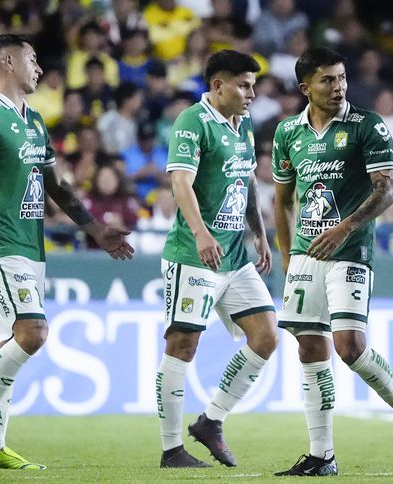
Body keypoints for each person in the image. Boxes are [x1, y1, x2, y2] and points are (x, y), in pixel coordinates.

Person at [0, 34, 134, 470]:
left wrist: (94, 229)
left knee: (7, 342)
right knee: (33, 333)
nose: (39, 68)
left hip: (30, 245)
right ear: (7, 61)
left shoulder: (34, 121)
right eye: (32, 58)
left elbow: (57, 185)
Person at [271, 47, 393, 477]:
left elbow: (387, 190)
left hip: (351, 249)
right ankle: (322, 455)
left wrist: (345, 227)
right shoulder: (288, 133)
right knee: (309, 347)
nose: (339, 86)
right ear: (305, 87)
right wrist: (288, 257)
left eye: (341, 78)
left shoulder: (367, 125)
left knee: (349, 346)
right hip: (306, 253)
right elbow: (282, 199)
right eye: (327, 80)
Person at [156, 49, 278, 469]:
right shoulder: (193, 121)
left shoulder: (242, 127)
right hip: (194, 255)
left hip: (236, 256)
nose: (251, 93)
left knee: (266, 336)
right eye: (244, 85)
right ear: (218, 85)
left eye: (253, 85)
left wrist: (260, 234)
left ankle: (211, 421)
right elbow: (180, 183)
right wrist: (202, 233)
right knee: (182, 345)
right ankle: (172, 450)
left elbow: (245, 183)